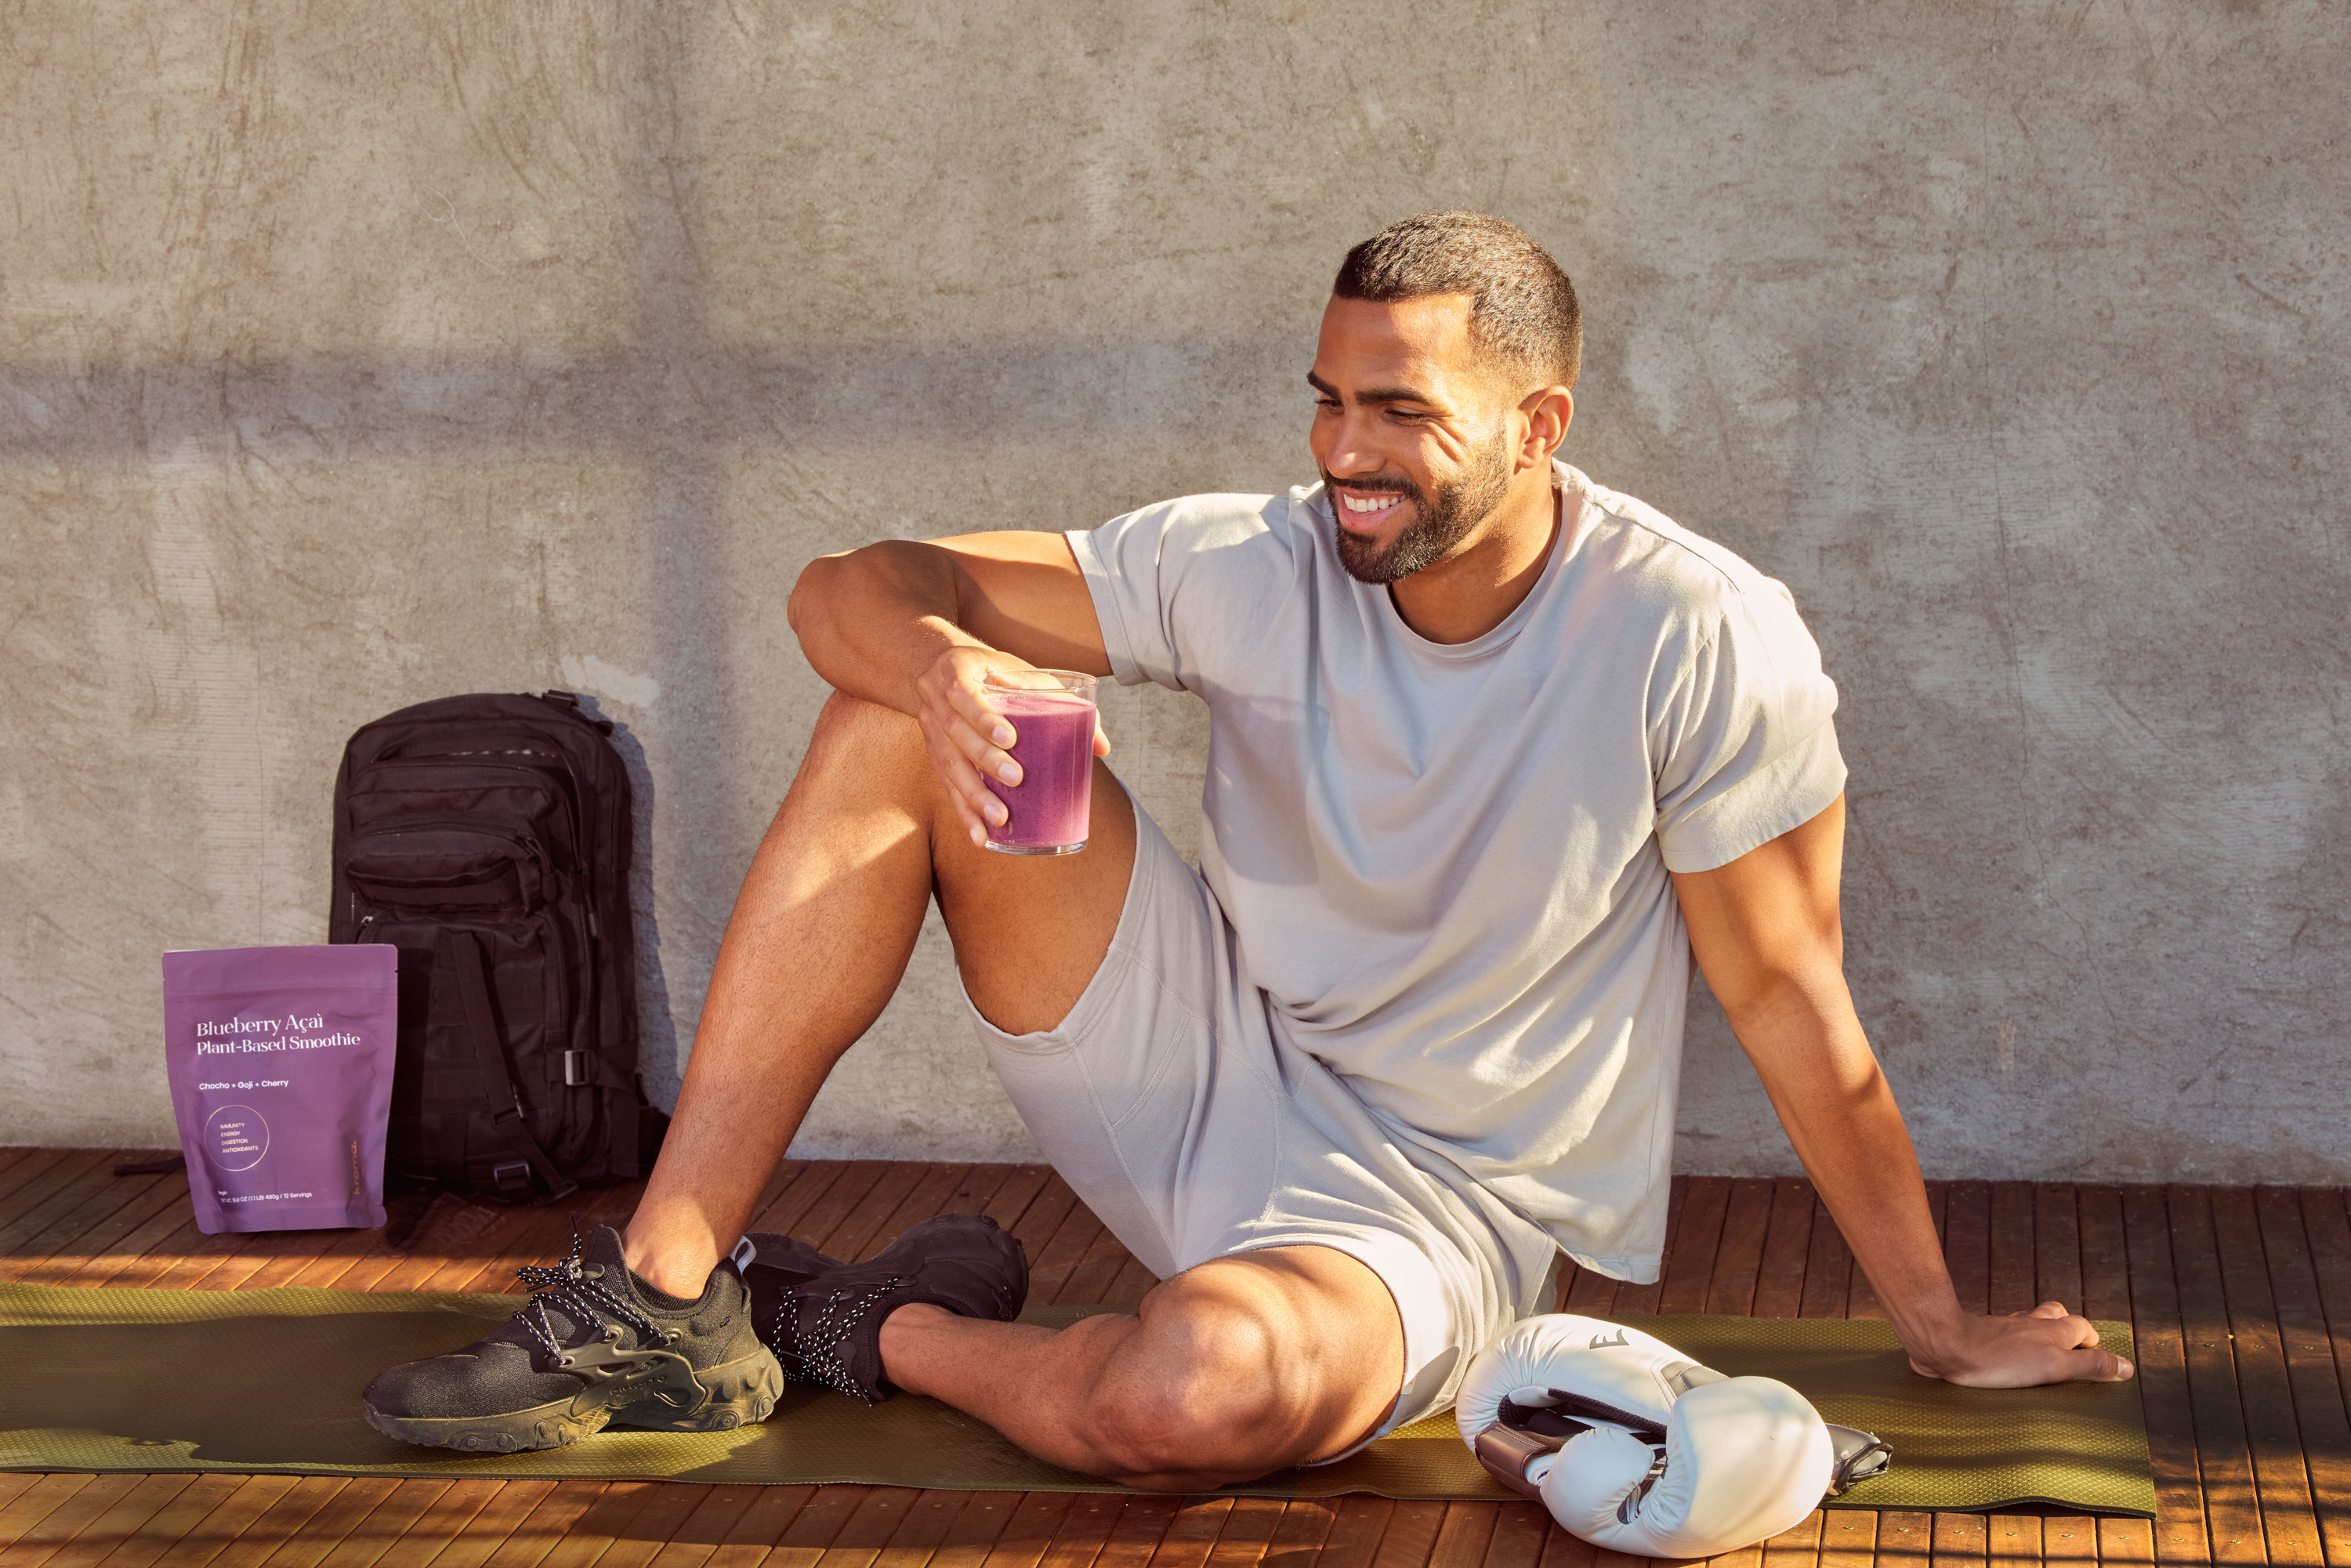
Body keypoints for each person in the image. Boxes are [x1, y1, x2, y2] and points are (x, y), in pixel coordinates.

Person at [364, 212, 2133, 1486]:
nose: (1347, 457)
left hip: (1440, 1206)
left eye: (1402, 416)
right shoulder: (1256, 556)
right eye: (1329, 400)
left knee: (1184, 1397)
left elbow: (1792, 995)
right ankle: (668, 1292)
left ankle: (846, 1320)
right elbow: (851, 580)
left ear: (1541, 428)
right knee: (903, 704)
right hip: (1198, 1055)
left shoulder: (1695, 634)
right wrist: (947, 661)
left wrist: (1941, 1317)